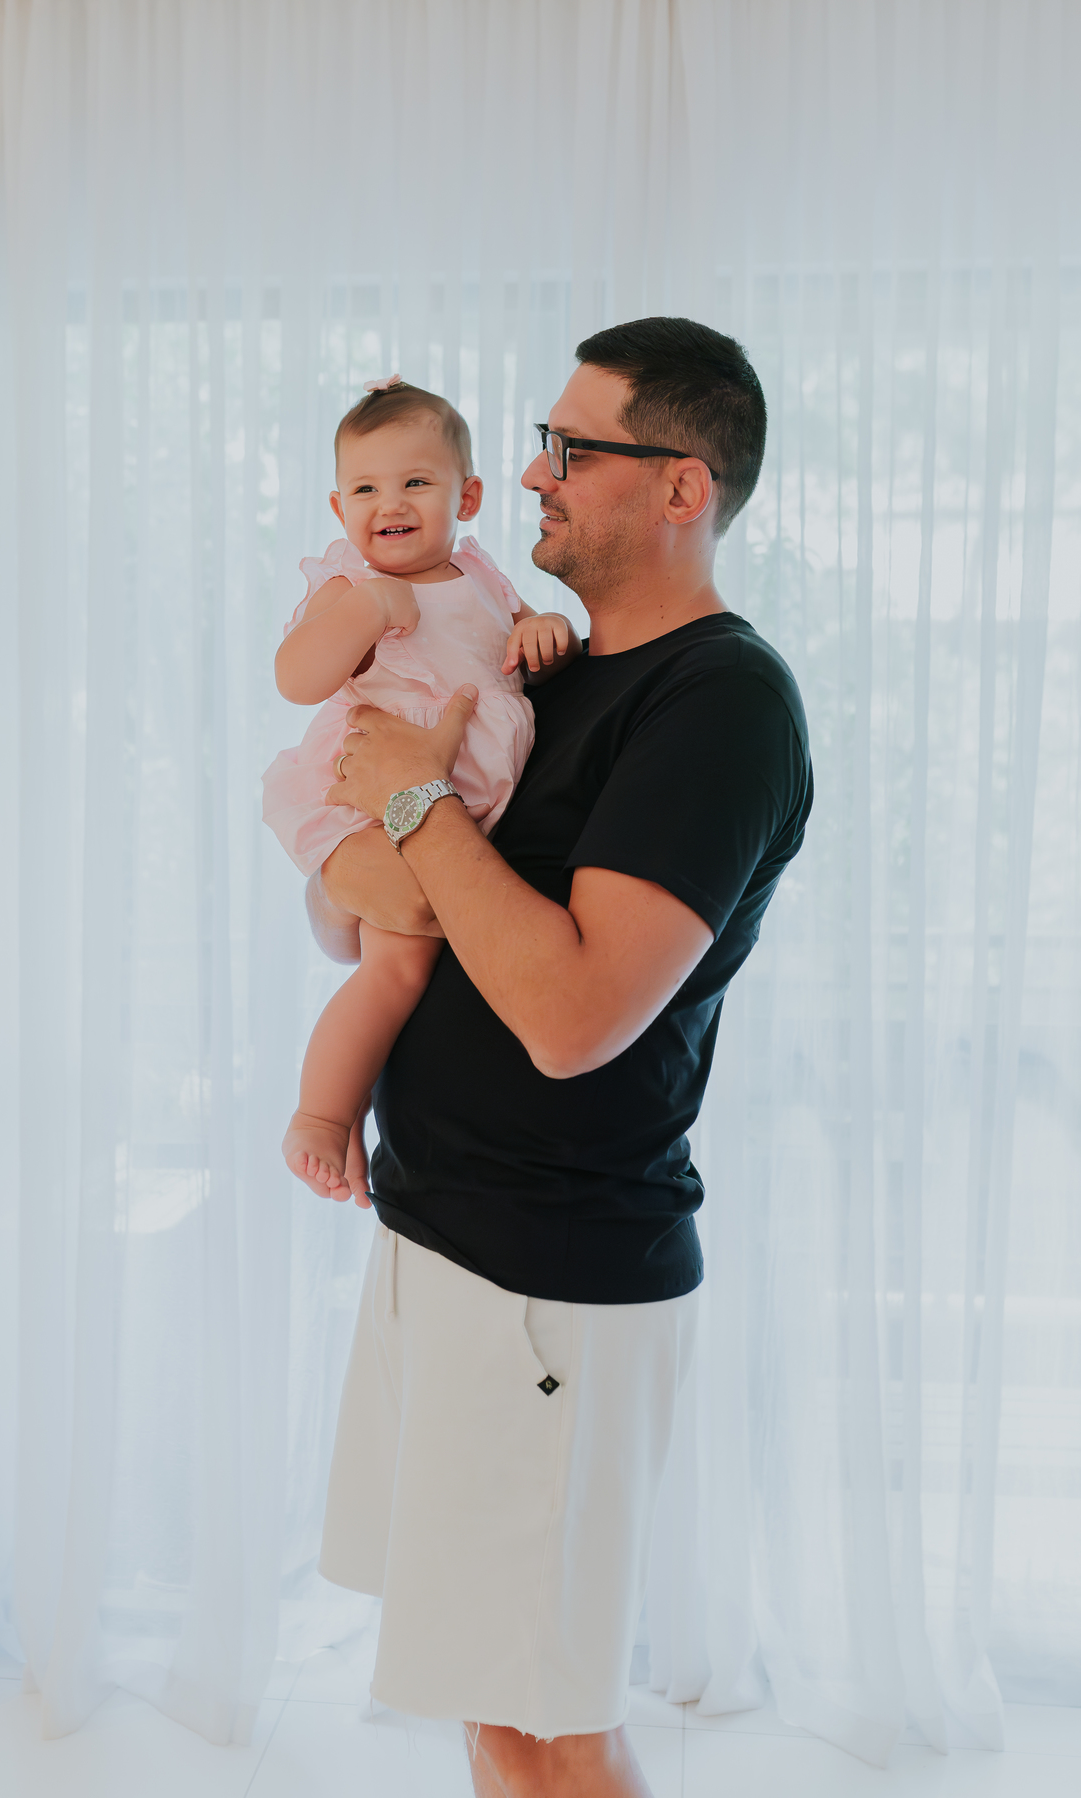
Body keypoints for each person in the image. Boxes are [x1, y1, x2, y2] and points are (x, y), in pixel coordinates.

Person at [302, 318, 813, 1798]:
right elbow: (361, 919)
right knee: (490, 1700)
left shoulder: (720, 703)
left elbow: (576, 1014)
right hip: (448, 1236)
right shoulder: (551, 670)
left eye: (574, 448)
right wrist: (365, 813)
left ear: (681, 485)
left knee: (547, 1725)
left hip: (552, 1278)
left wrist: (412, 809)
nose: (530, 472)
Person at [264, 377, 580, 1200]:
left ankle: (390, 1110)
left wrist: (539, 628)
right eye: (365, 488)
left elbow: (512, 641)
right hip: (378, 811)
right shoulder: (351, 586)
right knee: (397, 973)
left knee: (442, 979)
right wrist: (369, 610)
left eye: (415, 482)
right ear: (339, 510)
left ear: (466, 495)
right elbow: (296, 678)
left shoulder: (480, 574)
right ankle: (324, 1118)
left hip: (461, 812)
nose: (388, 503)